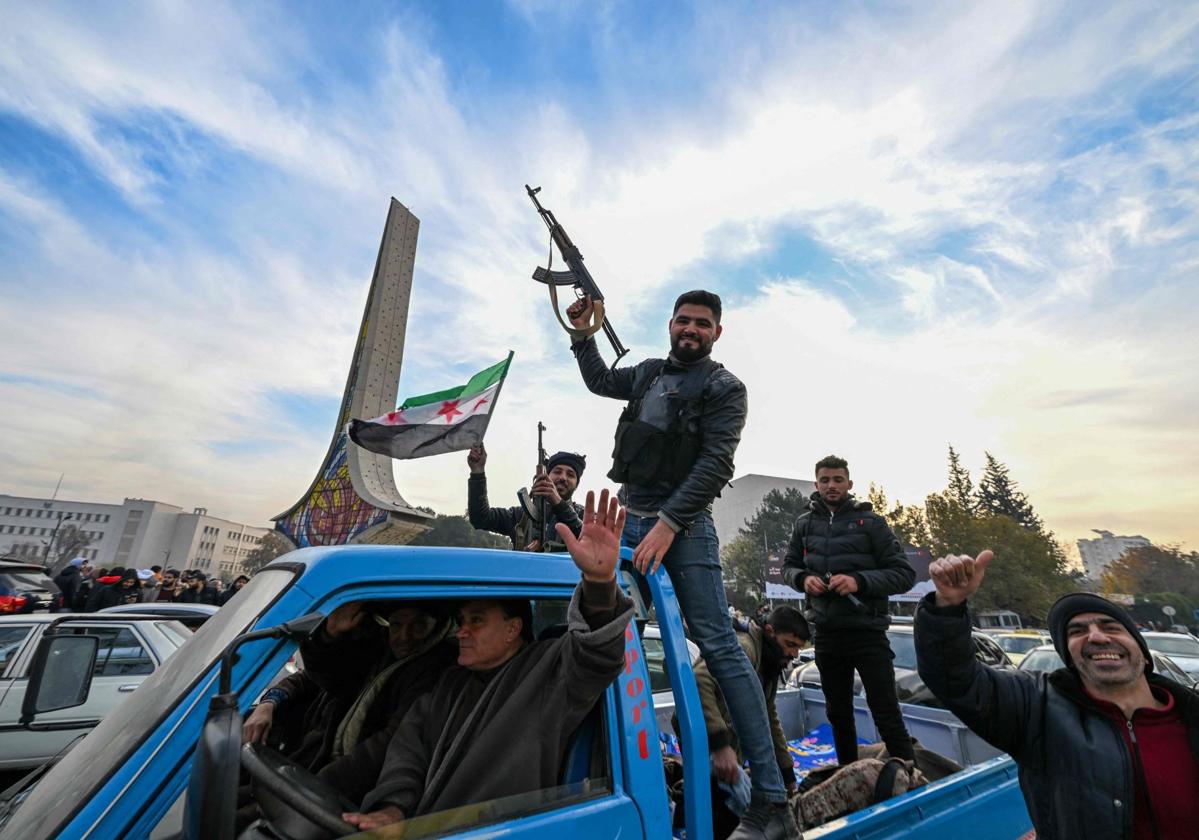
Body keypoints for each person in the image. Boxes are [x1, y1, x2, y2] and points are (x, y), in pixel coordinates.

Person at [566, 289, 795, 840]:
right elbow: (599, 381)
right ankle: (612, 778)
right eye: (684, 320)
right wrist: (582, 335)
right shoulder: (646, 373)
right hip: (628, 516)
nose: (691, 329)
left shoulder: (724, 387)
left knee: (718, 644)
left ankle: (771, 801)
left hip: (684, 525)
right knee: (614, 638)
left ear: (717, 332)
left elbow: (717, 462)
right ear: (670, 324)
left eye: (702, 323)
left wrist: (668, 524)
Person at [327, 489, 634, 831]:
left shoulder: (545, 673)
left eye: (476, 621)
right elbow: (410, 750)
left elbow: (597, 657)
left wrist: (600, 583)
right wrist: (393, 808)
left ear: (512, 629)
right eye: (460, 622)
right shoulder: (450, 682)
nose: (462, 632)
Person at [915, 550, 1199, 840]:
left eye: (1110, 626)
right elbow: (955, 680)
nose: (1097, 637)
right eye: (1077, 631)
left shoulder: (1191, 715)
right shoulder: (1036, 708)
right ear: (1070, 658)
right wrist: (947, 606)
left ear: (1141, 649)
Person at [781, 455, 916, 766]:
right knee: (838, 714)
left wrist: (859, 581)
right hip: (827, 634)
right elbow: (789, 567)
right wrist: (804, 579)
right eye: (825, 480)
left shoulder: (871, 523)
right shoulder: (804, 524)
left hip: (868, 632)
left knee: (885, 711)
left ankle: (910, 779)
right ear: (816, 484)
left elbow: (904, 574)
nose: (831, 485)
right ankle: (848, 775)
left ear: (849, 484)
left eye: (838, 480)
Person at [243, 600, 457, 774]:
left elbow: (388, 742)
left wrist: (320, 782)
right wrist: (269, 703)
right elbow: (312, 677)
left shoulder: (435, 670)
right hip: (304, 760)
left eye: (419, 626)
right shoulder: (375, 651)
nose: (404, 637)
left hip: (336, 782)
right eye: (396, 625)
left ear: (438, 625)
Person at [684, 606, 812, 839]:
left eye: (798, 648)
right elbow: (699, 679)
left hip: (729, 755)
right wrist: (721, 747)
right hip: (710, 750)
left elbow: (767, 716)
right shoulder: (745, 648)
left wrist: (787, 774)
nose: (794, 655)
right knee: (738, 819)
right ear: (770, 631)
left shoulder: (768, 661)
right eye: (790, 644)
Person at [467, 443, 585, 551]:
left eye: (570, 475)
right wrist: (477, 471)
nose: (563, 477)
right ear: (546, 477)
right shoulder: (520, 515)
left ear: (576, 484)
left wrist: (559, 505)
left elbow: (592, 541)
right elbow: (480, 518)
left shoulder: (583, 515)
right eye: (557, 471)